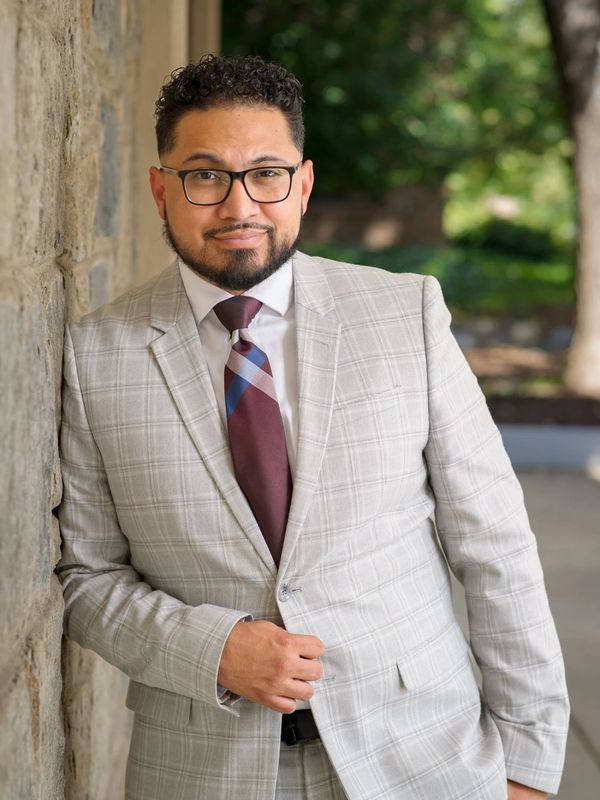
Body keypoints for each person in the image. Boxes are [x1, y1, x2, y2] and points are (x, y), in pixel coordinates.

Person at [57, 54, 569, 800]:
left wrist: (527, 761)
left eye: (266, 174)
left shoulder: (407, 315)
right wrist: (214, 650)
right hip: (203, 771)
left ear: (303, 183)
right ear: (159, 189)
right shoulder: (95, 353)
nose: (239, 207)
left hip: (424, 758)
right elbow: (85, 579)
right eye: (205, 176)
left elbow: (494, 544)